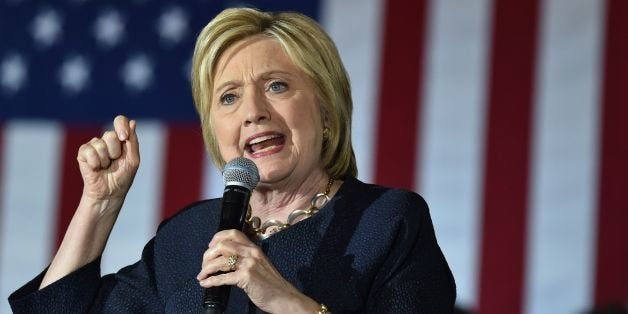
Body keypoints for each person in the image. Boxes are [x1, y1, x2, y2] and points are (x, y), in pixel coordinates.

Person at [9, 7, 456, 313]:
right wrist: (98, 205)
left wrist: (282, 299)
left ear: (325, 111)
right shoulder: (187, 237)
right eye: (228, 97)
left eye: (277, 85)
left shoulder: (387, 223)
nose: (252, 111)